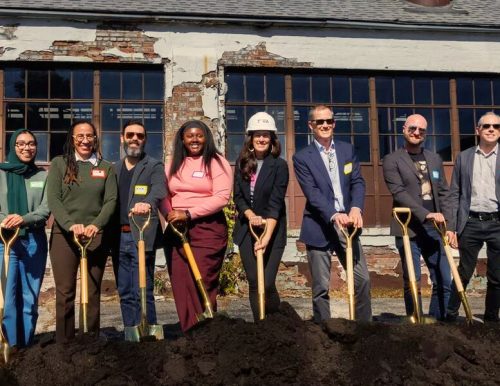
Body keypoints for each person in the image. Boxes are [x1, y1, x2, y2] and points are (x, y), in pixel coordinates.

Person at [292, 105, 372, 322]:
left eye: (329, 121)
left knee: (362, 279)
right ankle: (323, 330)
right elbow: (312, 193)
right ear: (311, 126)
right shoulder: (302, 158)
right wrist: (334, 214)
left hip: (348, 226)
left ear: (334, 123)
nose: (325, 125)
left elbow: (357, 181)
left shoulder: (347, 150)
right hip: (319, 225)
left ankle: (365, 328)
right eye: (320, 122)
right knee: (320, 286)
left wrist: (356, 208)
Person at [47, 120, 117, 343]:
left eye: (89, 136)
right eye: (80, 136)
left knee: (92, 291)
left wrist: (96, 224)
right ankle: (64, 343)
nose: (85, 140)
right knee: (65, 292)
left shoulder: (106, 167)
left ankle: (89, 339)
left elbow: (111, 200)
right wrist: (70, 225)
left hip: (94, 236)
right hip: (64, 237)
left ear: (95, 138)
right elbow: (54, 200)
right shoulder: (59, 164)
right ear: (73, 139)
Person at [161, 120, 232, 332]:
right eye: (190, 136)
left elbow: (222, 197)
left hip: (207, 229)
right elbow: (163, 195)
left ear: (206, 138)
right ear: (182, 139)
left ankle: (206, 329)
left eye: (199, 135)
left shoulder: (217, 162)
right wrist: (170, 214)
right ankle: (188, 330)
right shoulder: (173, 164)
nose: (194, 140)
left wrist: (189, 213)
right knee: (182, 283)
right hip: (177, 228)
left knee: (202, 278)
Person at [382, 114, 451, 320]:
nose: (417, 133)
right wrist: (426, 213)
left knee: (444, 279)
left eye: (421, 130)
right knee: (413, 278)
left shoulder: (434, 158)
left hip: (435, 228)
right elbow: (399, 193)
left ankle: (438, 322)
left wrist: (448, 221)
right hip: (408, 227)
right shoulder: (391, 160)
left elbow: (444, 192)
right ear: (404, 129)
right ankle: (416, 324)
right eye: (412, 128)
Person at [112, 120, 166, 338]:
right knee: (125, 290)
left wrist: (148, 203)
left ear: (145, 140)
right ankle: (130, 331)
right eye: (130, 134)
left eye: (140, 136)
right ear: (122, 138)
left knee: (143, 287)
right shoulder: (113, 168)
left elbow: (160, 190)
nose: (135, 138)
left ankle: (148, 329)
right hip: (117, 236)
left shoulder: (153, 165)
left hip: (141, 234)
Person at [233, 112, 289, 321]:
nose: (262, 139)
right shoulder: (241, 164)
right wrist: (250, 216)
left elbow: (276, 202)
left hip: (273, 231)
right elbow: (238, 197)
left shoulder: (280, 166)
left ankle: (275, 321)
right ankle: (261, 327)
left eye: (266, 135)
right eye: (258, 135)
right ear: (251, 137)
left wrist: (266, 236)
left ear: (272, 139)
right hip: (247, 230)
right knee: (255, 281)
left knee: (266, 282)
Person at [446, 112, 500, 322]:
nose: (491, 129)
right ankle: (450, 316)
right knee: (464, 271)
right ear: (478, 130)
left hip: (497, 223)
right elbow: (454, 193)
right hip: (470, 223)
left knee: (497, 276)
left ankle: (491, 320)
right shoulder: (465, 157)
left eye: (496, 126)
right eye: (486, 126)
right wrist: (451, 226)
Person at [0, 129, 49, 348]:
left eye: (31, 144)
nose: (26, 148)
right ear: (12, 146)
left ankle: (26, 346)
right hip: (5, 242)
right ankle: (9, 345)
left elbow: (46, 209)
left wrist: (24, 218)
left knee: (29, 299)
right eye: (20, 143)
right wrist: (5, 220)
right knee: (6, 299)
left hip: (33, 242)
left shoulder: (41, 176)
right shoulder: (0, 174)